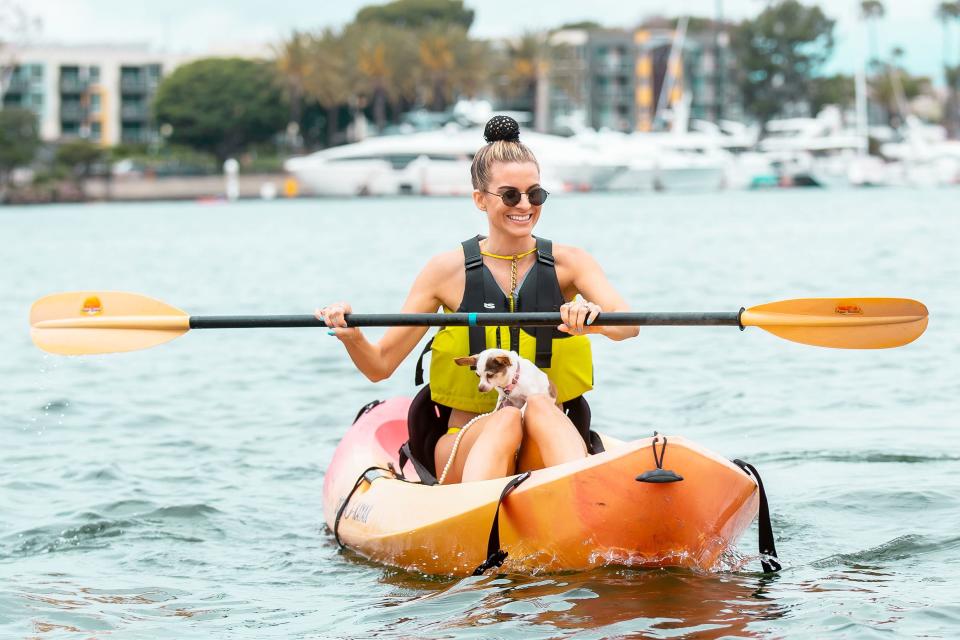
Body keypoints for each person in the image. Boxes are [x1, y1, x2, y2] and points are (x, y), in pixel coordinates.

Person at [317, 115, 638, 484]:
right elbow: (380, 365)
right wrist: (351, 332)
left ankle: (579, 508)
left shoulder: (571, 264)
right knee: (504, 419)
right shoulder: (445, 271)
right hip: (464, 443)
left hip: (545, 441)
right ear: (479, 200)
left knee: (539, 405)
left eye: (535, 194)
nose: (524, 205)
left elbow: (628, 325)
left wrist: (593, 319)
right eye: (510, 195)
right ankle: (477, 520)